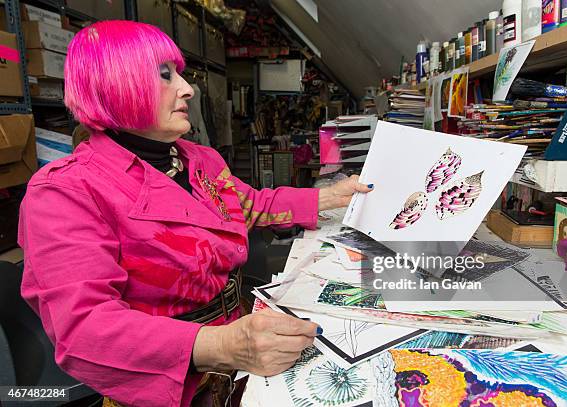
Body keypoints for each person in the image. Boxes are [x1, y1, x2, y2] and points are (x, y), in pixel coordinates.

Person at [17, 20, 372, 407]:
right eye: (165, 75)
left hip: (246, 358)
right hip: (169, 383)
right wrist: (223, 344)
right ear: (116, 83)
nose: (187, 89)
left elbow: (251, 206)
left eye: (181, 75)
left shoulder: (200, 160)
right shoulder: (64, 191)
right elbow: (84, 329)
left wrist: (332, 197)